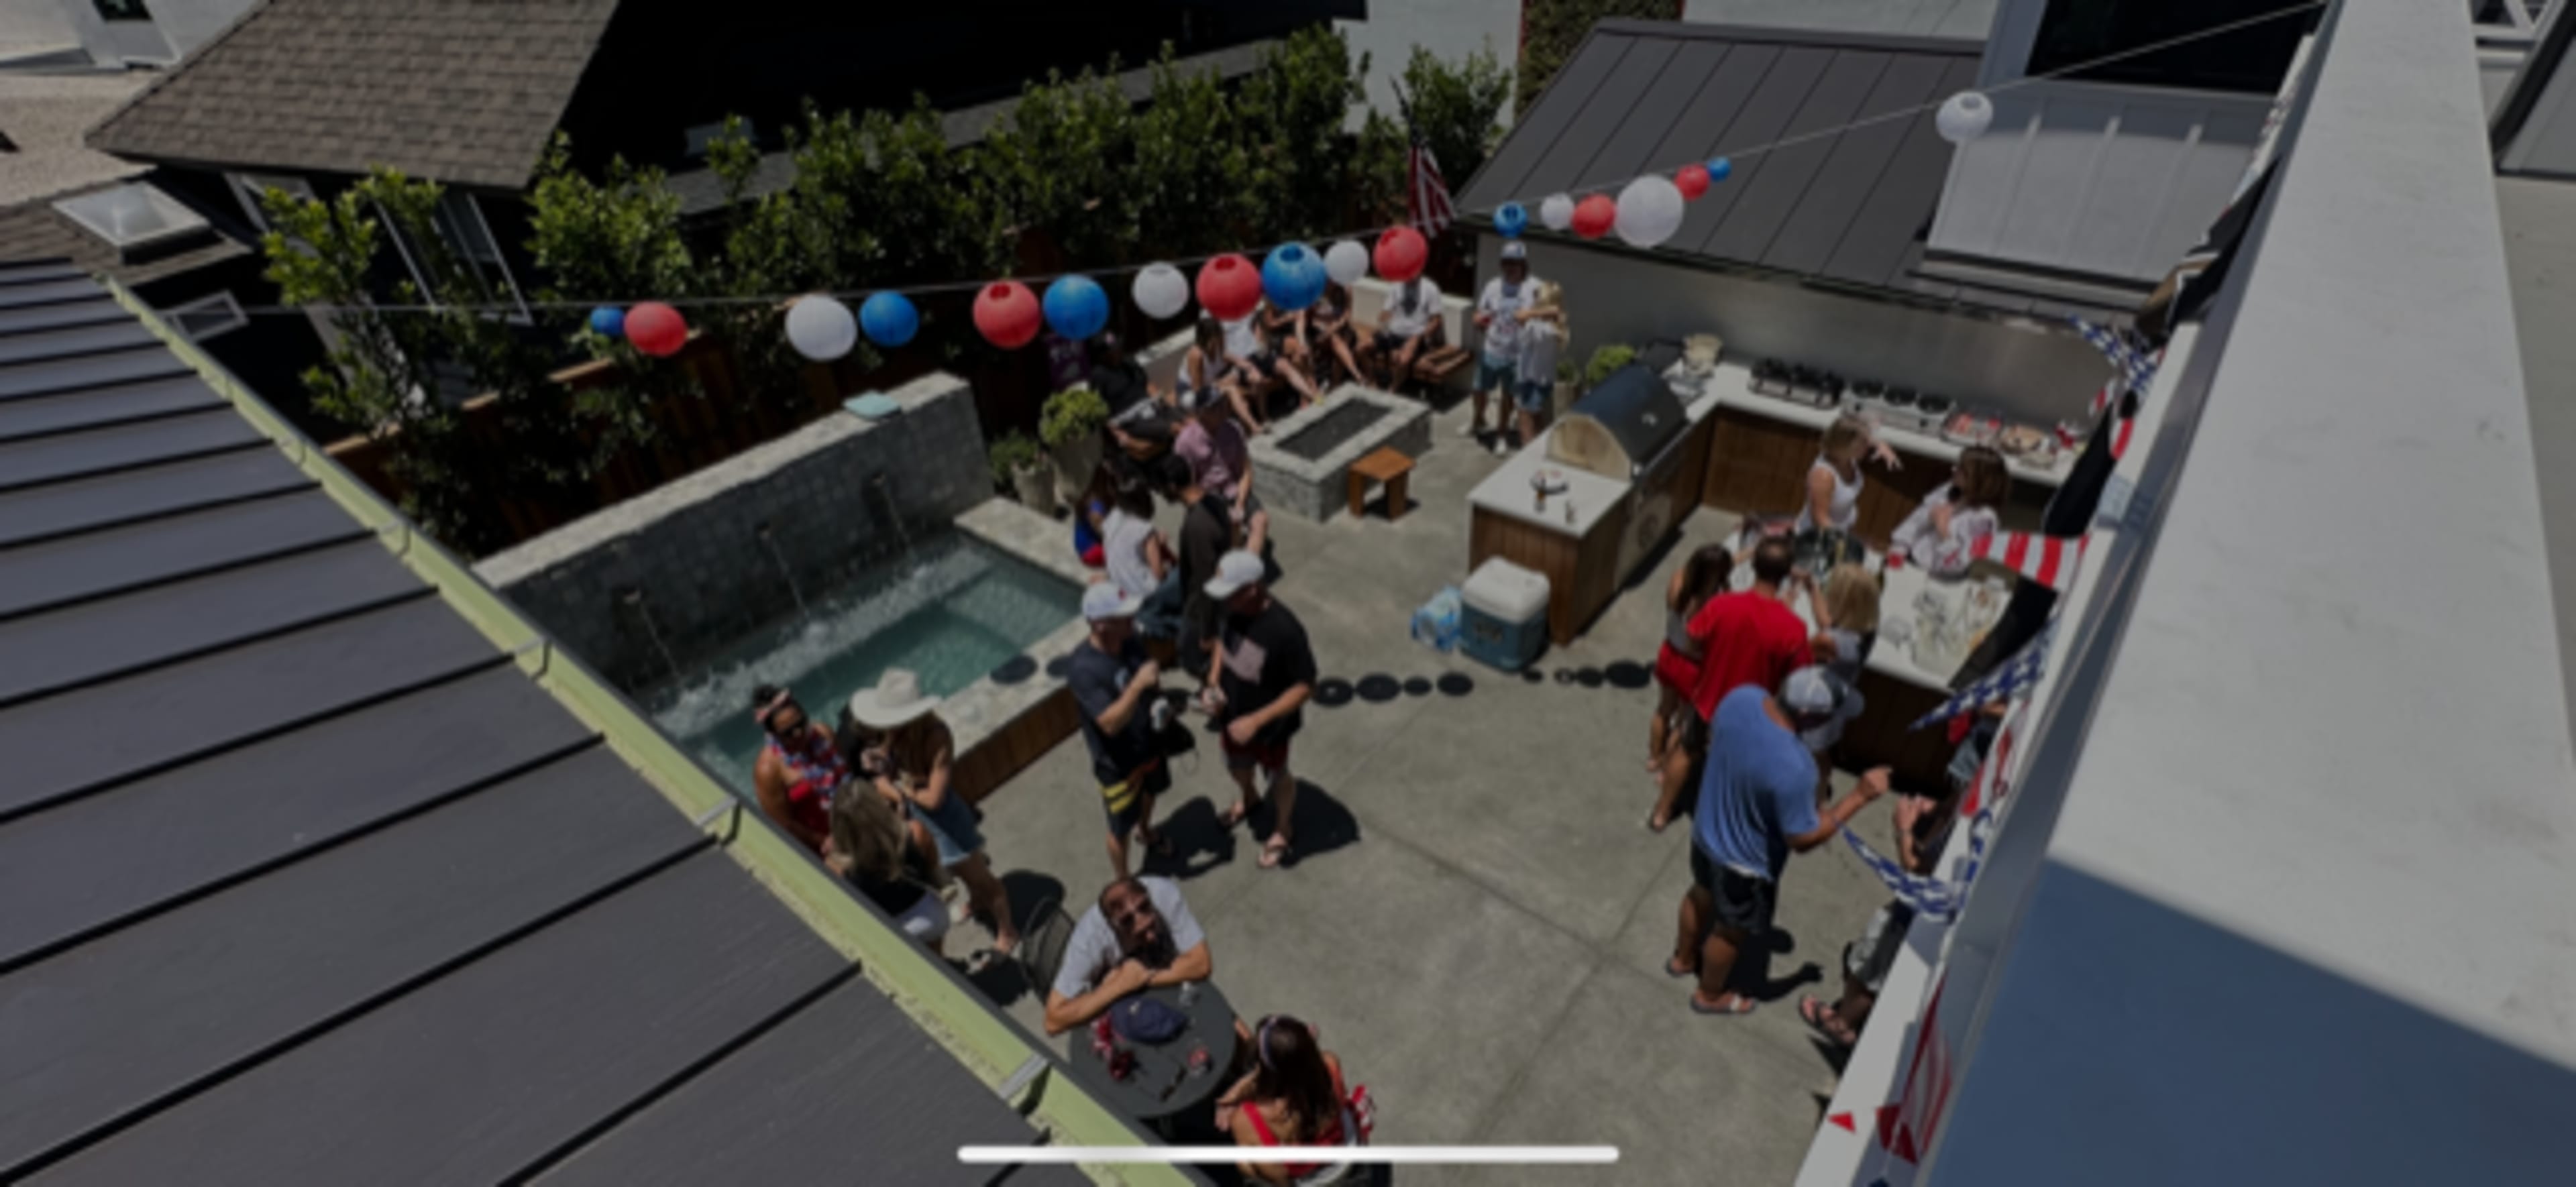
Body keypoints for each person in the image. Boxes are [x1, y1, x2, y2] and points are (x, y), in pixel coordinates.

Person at [1670, 684, 1892, 1015]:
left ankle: (1682, 959)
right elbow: (1803, 840)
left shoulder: (1740, 698)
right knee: (1730, 932)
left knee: (1699, 894)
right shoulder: (1797, 767)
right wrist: (1859, 796)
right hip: (1742, 865)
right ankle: (1709, 995)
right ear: (1810, 718)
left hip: (1706, 833)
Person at [845, 670, 1021, 956]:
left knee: (983, 880)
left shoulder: (937, 737)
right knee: (957, 874)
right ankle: (977, 902)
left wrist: (904, 788)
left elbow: (935, 799)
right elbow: (891, 773)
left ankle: (1007, 930)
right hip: (923, 820)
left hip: (948, 824)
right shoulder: (897, 733)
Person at [1656, 538, 1813, 831]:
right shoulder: (1794, 628)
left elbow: (1692, 641)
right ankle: (1720, 825)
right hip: (1751, 715)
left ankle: (1662, 813)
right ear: (1786, 574)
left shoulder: (1721, 605)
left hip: (1708, 700)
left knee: (1686, 752)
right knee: (1735, 771)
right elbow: (1799, 679)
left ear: (1753, 567)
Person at [1202, 550, 1316, 870]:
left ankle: (1283, 828)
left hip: (1270, 729)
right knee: (1236, 766)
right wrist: (1213, 682)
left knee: (1278, 777)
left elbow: (1306, 686)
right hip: (1231, 717)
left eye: (1230, 593)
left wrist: (1257, 720)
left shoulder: (1285, 630)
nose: (1224, 601)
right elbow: (1222, 642)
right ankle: (1249, 797)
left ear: (1252, 589)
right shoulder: (1232, 609)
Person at [1070, 582, 1175, 878]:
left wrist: (1160, 699)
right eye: (1123, 616)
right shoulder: (1083, 670)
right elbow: (1109, 723)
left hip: (1149, 744)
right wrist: (1138, 685)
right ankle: (1124, 880)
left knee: (1152, 792)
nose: (1133, 619)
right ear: (1100, 625)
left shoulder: (1130, 640)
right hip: (1117, 765)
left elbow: (1149, 678)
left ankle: (1146, 831)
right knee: (1119, 828)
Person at [1044, 874, 1212, 1035]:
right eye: (1140, 934)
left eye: (1151, 925)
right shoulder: (1088, 943)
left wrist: (1142, 977)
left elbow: (1201, 964)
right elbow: (1053, 1021)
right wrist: (1118, 986)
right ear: (1112, 926)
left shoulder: (1163, 892)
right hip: (1119, 1012)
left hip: (1159, 982)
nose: (1151, 937)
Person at [1648, 545, 1733, 833]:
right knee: (1683, 723)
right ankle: (1666, 769)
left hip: (1668, 653)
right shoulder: (1712, 601)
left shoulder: (1678, 582)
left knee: (1663, 710)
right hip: (1691, 666)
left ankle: (1654, 757)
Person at [1220, 1015, 1364, 1183]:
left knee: (1243, 1162)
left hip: (1313, 1176)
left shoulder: (1248, 1120)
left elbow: (1280, 1178)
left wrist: (1239, 1090)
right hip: (1342, 1144)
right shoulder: (1330, 1065)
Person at [823, 767, 949, 954]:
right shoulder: (914, 832)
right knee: (937, 956)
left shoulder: (837, 866)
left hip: (893, 934)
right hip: (929, 916)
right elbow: (932, 865)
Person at [749, 684, 846, 856]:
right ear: (773, 734)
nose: (799, 733)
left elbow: (847, 776)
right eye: (788, 732)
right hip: (818, 846)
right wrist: (823, 841)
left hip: (849, 824)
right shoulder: (769, 770)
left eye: (801, 723)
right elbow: (784, 824)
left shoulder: (823, 735)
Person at [1175, 386, 1269, 560]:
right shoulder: (1186, 442)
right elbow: (1187, 487)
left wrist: (1240, 504)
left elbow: (1246, 471)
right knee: (1226, 534)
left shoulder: (1234, 429)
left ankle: (1247, 567)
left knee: (1260, 520)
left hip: (1234, 490)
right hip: (1207, 497)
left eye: (1222, 403)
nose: (1222, 409)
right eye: (1214, 407)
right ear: (1201, 413)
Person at [1888, 445, 2009, 575]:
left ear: (1979, 479)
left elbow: (1958, 564)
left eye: (1962, 470)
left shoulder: (1984, 519)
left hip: (1942, 576)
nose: (1954, 470)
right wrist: (1899, 549)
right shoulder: (1950, 489)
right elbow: (1916, 521)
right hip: (1913, 560)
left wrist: (1944, 532)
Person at [1466, 241, 1534, 451]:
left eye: (1515, 263)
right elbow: (1480, 312)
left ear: (1523, 264)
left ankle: (1501, 434)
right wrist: (1478, 320)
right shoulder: (1493, 286)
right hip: (1492, 349)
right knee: (1479, 390)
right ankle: (1478, 421)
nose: (1510, 267)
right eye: (1506, 263)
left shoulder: (1532, 289)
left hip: (1516, 354)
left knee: (1508, 396)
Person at [1799, 414, 1904, 536]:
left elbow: (1868, 438)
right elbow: (1820, 519)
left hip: (1842, 528)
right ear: (1847, 444)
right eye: (1863, 443)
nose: (1868, 446)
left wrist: (1883, 447)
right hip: (1820, 536)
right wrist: (1843, 541)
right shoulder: (1823, 476)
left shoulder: (1846, 456)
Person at [1174, 470, 1236, 673]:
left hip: (1200, 610)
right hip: (1219, 599)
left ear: (1171, 488)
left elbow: (1205, 582)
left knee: (1191, 657)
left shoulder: (1197, 526)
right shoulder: (1215, 502)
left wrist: (1207, 632)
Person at [1799, 563, 1880, 685]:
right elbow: (1828, 625)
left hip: (1813, 689)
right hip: (1842, 686)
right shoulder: (1867, 627)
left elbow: (1789, 659)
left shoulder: (1826, 641)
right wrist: (1812, 587)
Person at [1178, 315, 1262, 434]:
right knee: (1232, 390)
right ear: (1209, 337)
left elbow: (1237, 361)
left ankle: (1256, 424)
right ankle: (1254, 427)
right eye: (1218, 334)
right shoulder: (1197, 355)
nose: (1222, 336)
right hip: (1190, 395)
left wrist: (1250, 367)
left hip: (1210, 387)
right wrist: (1222, 383)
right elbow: (1198, 389)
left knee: (1241, 388)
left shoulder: (1217, 348)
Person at [1513, 278, 1566, 449]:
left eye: (1538, 299)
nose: (1534, 302)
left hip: (1530, 380)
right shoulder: (1556, 328)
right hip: (1542, 381)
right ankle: (1540, 451)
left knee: (1526, 422)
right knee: (1537, 420)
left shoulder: (1540, 328)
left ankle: (1527, 455)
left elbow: (1518, 316)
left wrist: (1536, 314)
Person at [1368, 272, 1444, 390]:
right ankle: (1372, 382)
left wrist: (1419, 337)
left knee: (1403, 360)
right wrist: (1383, 320)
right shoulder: (1396, 286)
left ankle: (1392, 389)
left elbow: (1437, 321)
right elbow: (1386, 311)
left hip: (1415, 336)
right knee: (1362, 348)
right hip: (1393, 333)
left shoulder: (1430, 288)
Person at [1246, 299, 1324, 407]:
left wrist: (1301, 340)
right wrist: (1288, 318)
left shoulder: (1294, 300)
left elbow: (1300, 322)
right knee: (1298, 348)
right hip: (1276, 337)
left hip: (1291, 335)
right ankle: (1314, 390)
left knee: (1299, 356)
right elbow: (1270, 323)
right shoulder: (1269, 301)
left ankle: (1305, 396)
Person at [1303, 280, 1365, 388]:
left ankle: (1335, 384)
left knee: (1339, 346)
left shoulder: (1345, 290)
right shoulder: (1315, 292)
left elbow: (1347, 315)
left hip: (1340, 329)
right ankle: (1357, 376)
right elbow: (1309, 318)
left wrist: (1334, 327)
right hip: (1319, 330)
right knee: (1335, 341)